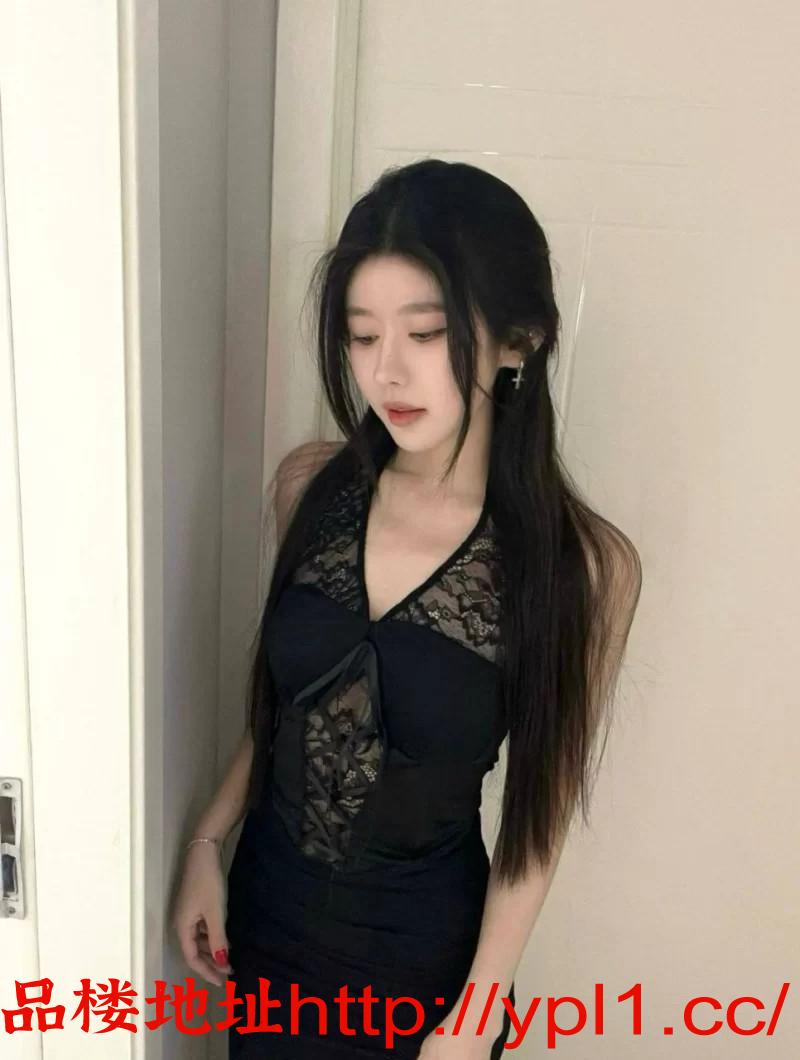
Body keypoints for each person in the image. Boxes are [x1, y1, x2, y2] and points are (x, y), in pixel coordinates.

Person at [172, 159, 642, 1058]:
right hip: (267, 930)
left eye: (426, 333)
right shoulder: (310, 486)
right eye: (361, 336)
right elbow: (283, 709)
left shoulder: (582, 565)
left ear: (520, 340)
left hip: (421, 976)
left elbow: (538, 817)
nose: (386, 370)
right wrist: (206, 840)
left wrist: (475, 1016)